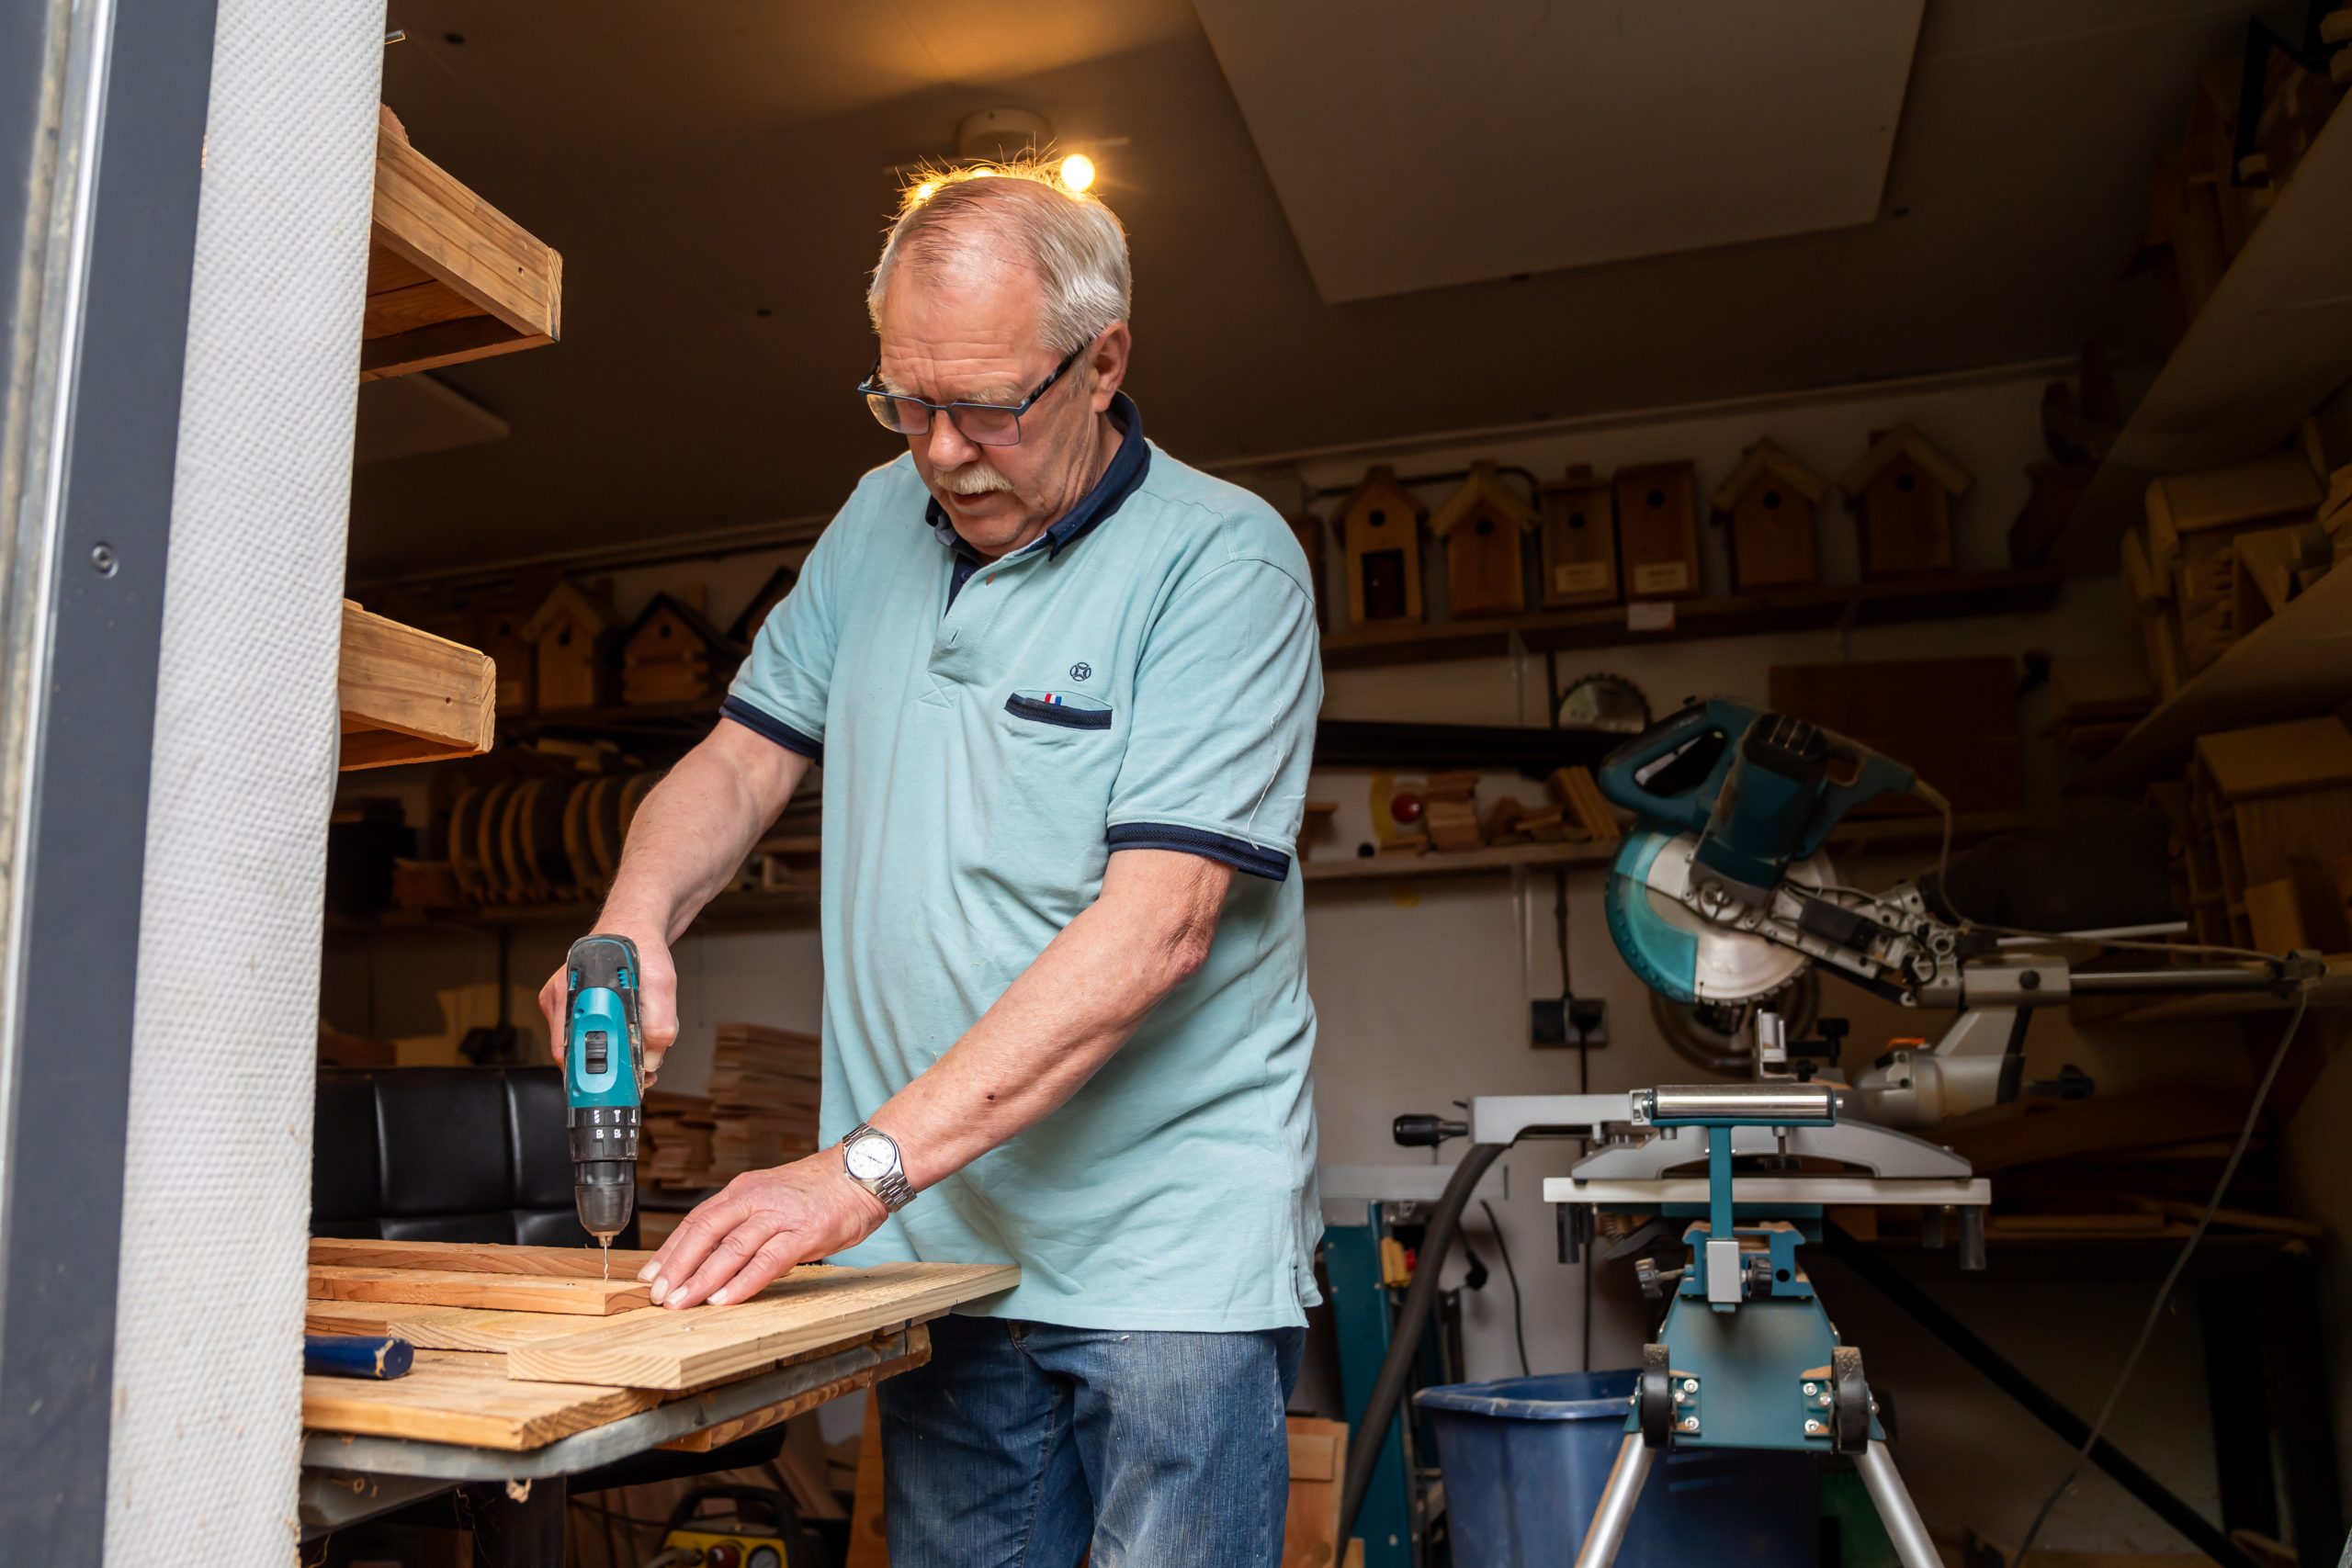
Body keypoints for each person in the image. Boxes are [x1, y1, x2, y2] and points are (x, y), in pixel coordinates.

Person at [540, 160, 1323, 1567]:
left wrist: (852, 1174)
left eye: (988, 407)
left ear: (1106, 362)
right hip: (943, 1238)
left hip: (1164, 1256)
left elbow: (1158, 930)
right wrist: (632, 917)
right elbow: (738, 760)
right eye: (907, 402)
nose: (944, 452)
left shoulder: (1226, 566)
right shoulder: (869, 525)